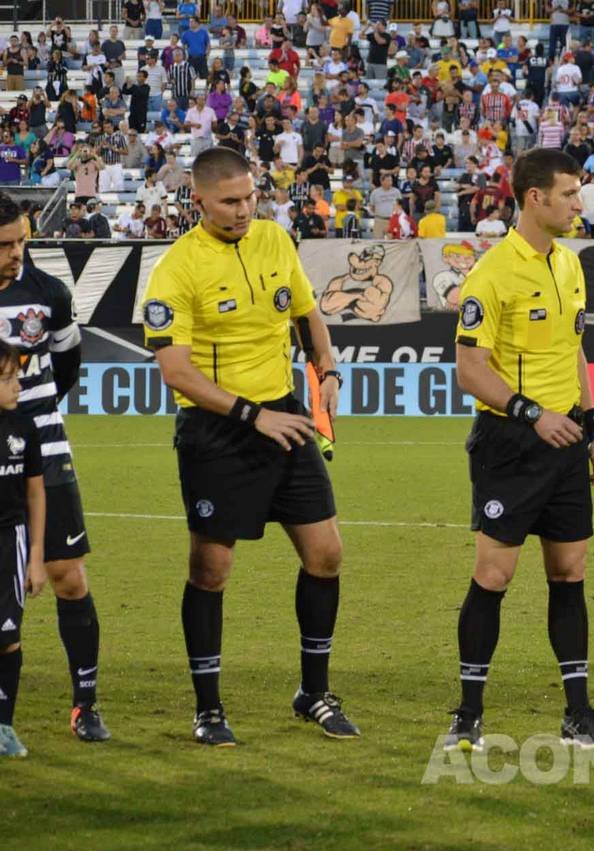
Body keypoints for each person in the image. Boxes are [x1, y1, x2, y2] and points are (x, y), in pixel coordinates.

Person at [141, 148, 357, 746]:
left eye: (250, 197)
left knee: (326, 554)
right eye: (230, 201)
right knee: (211, 571)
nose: (243, 210)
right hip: (217, 430)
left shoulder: (274, 240)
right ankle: (208, 708)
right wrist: (250, 415)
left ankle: (314, 692)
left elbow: (307, 314)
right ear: (199, 200)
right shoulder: (176, 269)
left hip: (284, 415)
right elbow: (176, 372)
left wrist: (326, 370)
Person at [444, 148, 594, 752]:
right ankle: (468, 713)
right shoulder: (491, 274)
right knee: (494, 574)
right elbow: (470, 370)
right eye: (569, 194)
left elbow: (573, 350)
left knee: (569, 573)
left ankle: (578, 713)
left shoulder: (570, 263)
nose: (579, 204)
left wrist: (593, 425)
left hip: (566, 438)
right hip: (511, 443)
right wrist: (531, 414)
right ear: (535, 198)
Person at [0, 192, 108, 742]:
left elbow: (68, 364)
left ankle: (84, 704)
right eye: (5, 245)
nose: (16, 252)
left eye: (21, 240)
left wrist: (31, 417)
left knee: (67, 574)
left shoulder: (49, 293)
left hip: (42, 442)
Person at [0, 340, 46, 758]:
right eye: (8, 378)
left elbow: (35, 493)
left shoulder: (23, 428)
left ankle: (3, 726)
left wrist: (36, 557)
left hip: (9, 542)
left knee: (7, 638)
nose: (18, 385)